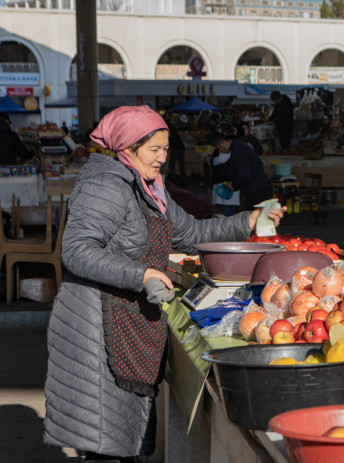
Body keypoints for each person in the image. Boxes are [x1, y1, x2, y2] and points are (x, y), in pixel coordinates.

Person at [43, 105, 285, 462]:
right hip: (96, 326)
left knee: (124, 438)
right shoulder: (105, 185)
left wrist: (247, 220)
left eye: (166, 149)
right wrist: (139, 274)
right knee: (105, 442)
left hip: (125, 319)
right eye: (154, 149)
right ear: (127, 146)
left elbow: (192, 233)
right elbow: (76, 250)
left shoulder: (149, 187)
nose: (162, 157)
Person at [209, 131, 273, 212]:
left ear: (222, 143)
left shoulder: (238, 150)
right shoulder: (238, 147)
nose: (220, 151)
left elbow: (244, 174)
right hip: (258, 187)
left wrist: (234, 184)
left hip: (257, 190)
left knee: (255, 219)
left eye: (218, 148)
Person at [164, 109, 187, 184]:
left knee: (172, 164)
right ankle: (183, 179)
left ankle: (174, 179)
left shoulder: (167, 127)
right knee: (181, 165)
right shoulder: (173, 126)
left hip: (175, 148)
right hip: (180, 147)